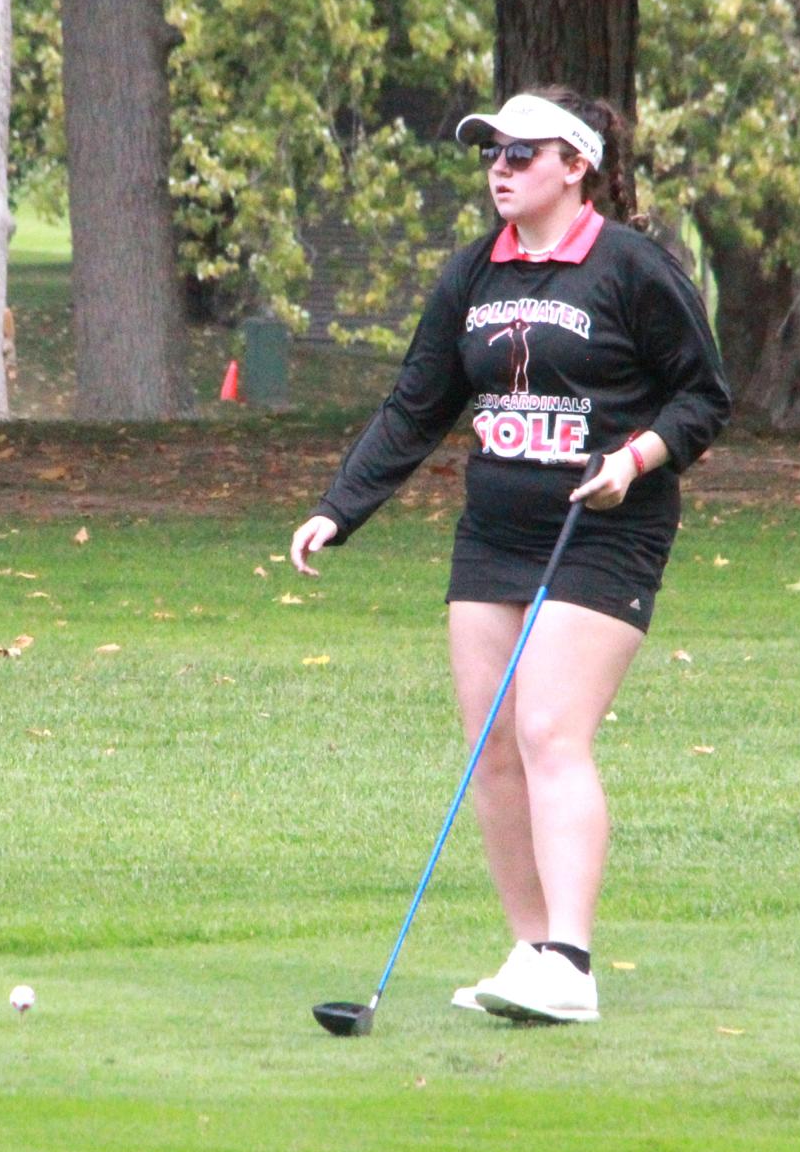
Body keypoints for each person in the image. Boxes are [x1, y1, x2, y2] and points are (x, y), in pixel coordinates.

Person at [290, 86, 731, 1025]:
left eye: (522, 154)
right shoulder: (472, 274)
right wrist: (342, 508)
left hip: (606, 523)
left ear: (577, 167)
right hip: (494, 531)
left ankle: (569, 963)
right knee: (492, 749)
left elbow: (703, 397)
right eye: (490, 151)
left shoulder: (632, 268)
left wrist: (633, 460)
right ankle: (529, 954)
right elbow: (417, 405)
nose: (500, 166)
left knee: (547, 733)